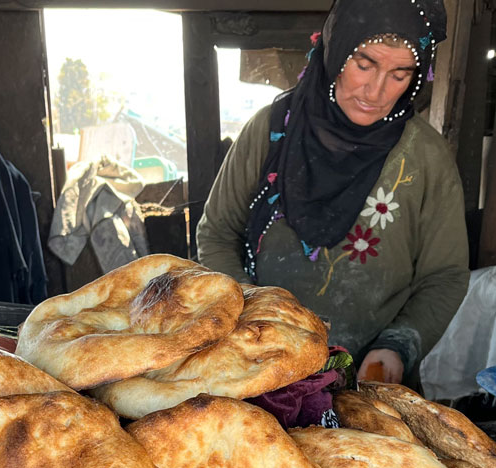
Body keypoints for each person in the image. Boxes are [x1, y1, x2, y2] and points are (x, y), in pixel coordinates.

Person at [196, 0, 469, 387]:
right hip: (260, 370)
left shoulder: (426, 156)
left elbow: (445, 275)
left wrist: (398, 345)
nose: (375, 91)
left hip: (371, 382)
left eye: (399, 74)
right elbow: (217, 234)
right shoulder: (271, 131)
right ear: (336, 49)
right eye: (364, 64)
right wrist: (252, 315)